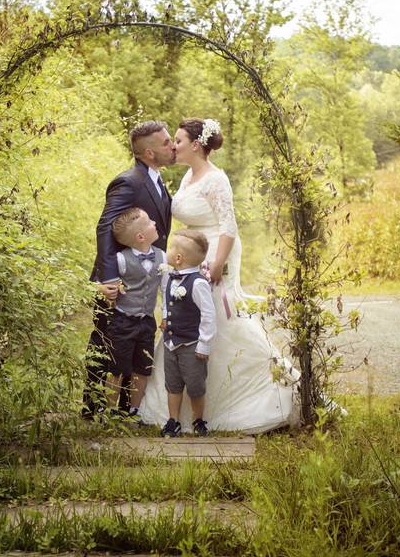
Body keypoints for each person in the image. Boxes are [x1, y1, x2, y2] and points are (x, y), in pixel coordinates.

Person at [139, 118, 295, 434]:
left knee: (217, 319)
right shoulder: (188, 176)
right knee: (186, 317)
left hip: (214, 253)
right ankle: (181, 405)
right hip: (191, 252)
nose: (173, 146)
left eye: (178, 141)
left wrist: (218, 263)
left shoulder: (216, 179)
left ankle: (253, 395)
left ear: (196, 144)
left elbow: (228, 226)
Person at [83, 121, 175, 418]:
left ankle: (125, 410)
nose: (172, 146)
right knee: (107, 342)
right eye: (166, 142)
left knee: (134, 349)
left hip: (144, 278)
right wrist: (109, 279)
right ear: (149, 152)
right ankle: (92, 408)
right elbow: (105, 227)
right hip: (119, 279)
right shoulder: (128, 181)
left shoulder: (157, 180)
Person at [102, 208, 166, 418]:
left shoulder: (162, 257)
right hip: (123, 321)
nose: (155, 223)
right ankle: (111, 410)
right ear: (140, 236)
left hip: (147, 322)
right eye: (150, 222)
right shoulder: (121, 259)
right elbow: (105, 284)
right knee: (117, 367)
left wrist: (165, 314)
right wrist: (99, 288)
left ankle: (134, 409)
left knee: (143, 368)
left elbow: (165, 290)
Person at [159, 229, 216, 438]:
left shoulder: (198, 283)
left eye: (171, 248)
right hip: (170, 343)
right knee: (172, 384)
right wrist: (166, 316)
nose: (168, 251)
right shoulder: (169, 276)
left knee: (195, 385)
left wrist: (204, 344)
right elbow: (167, 301)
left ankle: (198, 420)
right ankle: (173, 421)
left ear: (179, 258)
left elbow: (209, 316)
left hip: (191, 345)